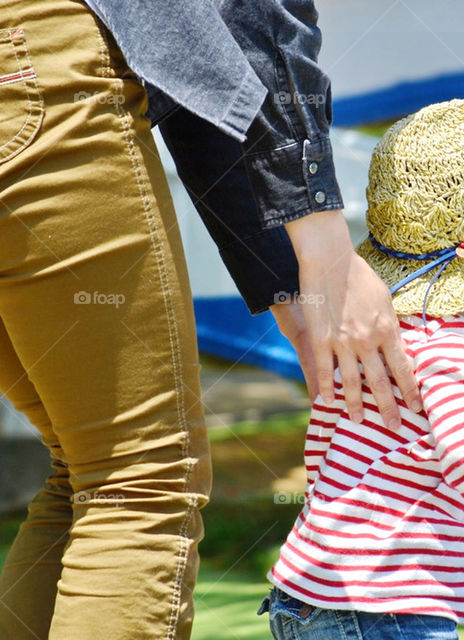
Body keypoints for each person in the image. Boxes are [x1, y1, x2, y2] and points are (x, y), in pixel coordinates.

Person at [0, 1, 418, 638]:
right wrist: (324, 254)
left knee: (88, 469)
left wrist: (284, 279)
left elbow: (191, 49)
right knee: (141, 480)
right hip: (28, 61)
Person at [260, 99, 464, 640]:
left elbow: (424, 432)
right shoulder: (453, 348)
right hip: (388, 605)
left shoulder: (377, 342)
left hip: (309, 595)